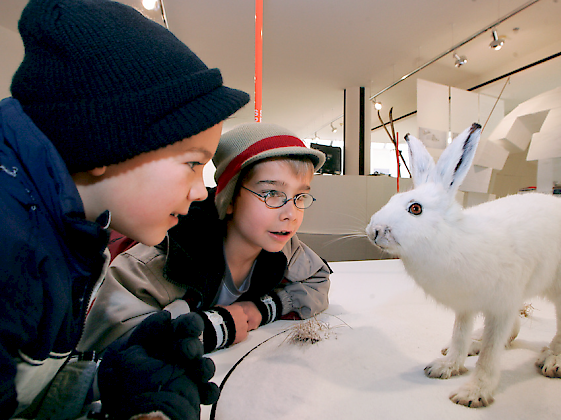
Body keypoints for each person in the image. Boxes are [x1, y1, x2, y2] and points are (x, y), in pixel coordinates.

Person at [0, 0, 249, 419]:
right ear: (103, 140)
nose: (201, 192)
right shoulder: (11, 253)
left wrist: (105, 379)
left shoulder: (70, 232)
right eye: (192, 163)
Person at [78, 123, 332, 357]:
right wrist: (213, 328)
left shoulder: (282, 243)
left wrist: (264, 309)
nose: (290, 214)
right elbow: (103, 345)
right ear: (230, 197)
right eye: (271, 194)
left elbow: (318, 280)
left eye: (299, 197)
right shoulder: (165, 255)